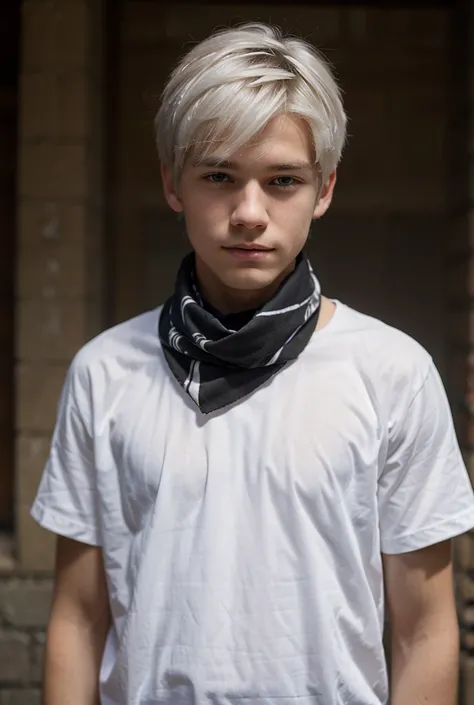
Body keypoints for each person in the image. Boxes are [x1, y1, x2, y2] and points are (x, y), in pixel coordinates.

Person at [32, 22, 474, 705]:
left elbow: (425, 632)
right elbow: (79, 620)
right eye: (219, 176)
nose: (249, 212)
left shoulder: (394, 374)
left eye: (282, 180)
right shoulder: (105, 372)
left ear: (324, 188)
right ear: (172, 183)